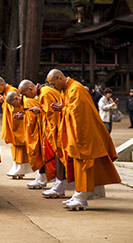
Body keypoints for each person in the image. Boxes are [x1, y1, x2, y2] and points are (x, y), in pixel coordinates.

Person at [47, 69, 121, 210]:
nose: (52, 87)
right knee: (80, 166)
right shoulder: (68, 89)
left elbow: (78, 114)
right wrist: (62, 108)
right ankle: (79, 195)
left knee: (85, 165)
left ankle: (81, 198)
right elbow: (71, 108)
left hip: (84, 134)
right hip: (77, 134)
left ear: (60, 78)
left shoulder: (76, 89)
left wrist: (63, 108)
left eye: (53, 83)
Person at [0, 76, 32, 179]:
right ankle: (17, 166)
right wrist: (3, 101)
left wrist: (5, 100)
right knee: (15, 146)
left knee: (19, 145)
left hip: (17, 123)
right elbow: (9, 106)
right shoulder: (7, 92)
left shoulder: (13, 91)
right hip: (12, 123)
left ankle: (21, 168)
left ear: (2, 84)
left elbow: (17, 106)